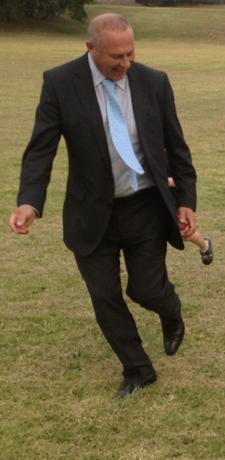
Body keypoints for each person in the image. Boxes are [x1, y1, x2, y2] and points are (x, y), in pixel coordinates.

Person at [8, 13, 197, 399]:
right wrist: (30, 201)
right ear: (90, 48)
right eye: (116, 57)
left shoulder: (153, 82)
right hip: (91, 211)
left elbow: (177, 148)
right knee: (104, 295)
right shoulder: (60, 83)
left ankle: (171, 310)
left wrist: (186, 201)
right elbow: (41, 149)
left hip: (144, 206)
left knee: (146, 289)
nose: (125, 64)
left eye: (130, 54)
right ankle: (138, 369)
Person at [168, 177, 213, 265]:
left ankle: (205, 246)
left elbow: (183, 179)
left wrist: (160, 181)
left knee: (184, 231)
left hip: (170, 199)